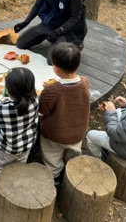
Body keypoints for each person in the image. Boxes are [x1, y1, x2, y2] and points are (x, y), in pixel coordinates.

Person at [39, 43, 90, 186]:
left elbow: (43, 109)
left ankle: (54, 177)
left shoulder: (52, 90)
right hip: (77, 131)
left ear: (55, 68)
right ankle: (71, 169)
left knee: (52, 156)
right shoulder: (85, 83)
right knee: (73, 151)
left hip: (54, 134)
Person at [0, 67, 39, 189]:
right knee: (20, 163)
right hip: (26, 145)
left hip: (5, 148)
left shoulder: (4, 110)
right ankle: (16, 179)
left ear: (9, 91)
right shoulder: (35, 101)